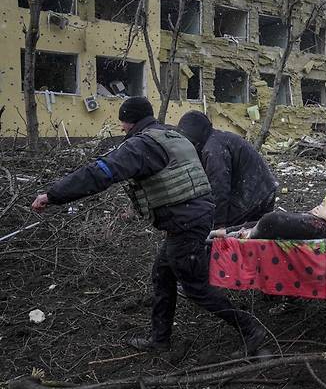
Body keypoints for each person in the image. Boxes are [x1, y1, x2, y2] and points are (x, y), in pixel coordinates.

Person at [31, 97, 266, 357]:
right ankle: (160, 340)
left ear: (131, 121)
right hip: (192, 216)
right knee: (162, 272)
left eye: (122, 122)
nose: (121, 128)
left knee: (195, 286)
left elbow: (101, 173)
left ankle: (250, 329)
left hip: (186, 221)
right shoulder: (170, 134)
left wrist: (53, 195)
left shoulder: (142, 145)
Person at [177, 110, 278, 229]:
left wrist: (218, 225)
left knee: (225, 231)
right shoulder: (217, 139)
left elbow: (219, 189)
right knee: (249, 234)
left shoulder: (213, 149)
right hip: (262, 190)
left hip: (254, 194)